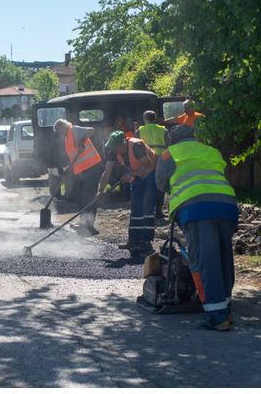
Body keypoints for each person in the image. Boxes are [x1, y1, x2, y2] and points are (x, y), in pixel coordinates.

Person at [155, 125, 238, 331]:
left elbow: (160, 183)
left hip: (196, 208)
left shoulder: (168, 154)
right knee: (223, 258)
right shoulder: (211, 151)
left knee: (204, 261)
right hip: (227, 205)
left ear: (172, 140)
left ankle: (216, 317)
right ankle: (225, 309)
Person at [98, 130, 157, 254]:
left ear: (123, 143)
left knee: (147, 208)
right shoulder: (113, 152)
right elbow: (106, 172)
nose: (114, 150)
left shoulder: (136, 146)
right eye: (112, 148)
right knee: (136, 209)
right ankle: (134, 240)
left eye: (115, 147)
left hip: (151, 175)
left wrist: (130, 174)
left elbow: (150, 166)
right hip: (137, 177)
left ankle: (146, 242)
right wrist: (100, 191)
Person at [53, 119, 103, 236]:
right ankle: (83, 222)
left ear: (63, 127)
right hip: (85, 170)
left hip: (93, 166)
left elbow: (91, 130)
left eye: (58, 130)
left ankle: (89, 225)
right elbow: (75, 159)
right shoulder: (67, 138)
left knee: (88, 196)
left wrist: (81, 140)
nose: (59, 133)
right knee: (81, 196)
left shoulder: (74, 130)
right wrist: (68, 169)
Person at [135, 110, 170, 219]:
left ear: (144, 119)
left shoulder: (139, 131)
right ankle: (159, 212)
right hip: (161, 160)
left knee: (147, 186)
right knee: (160, 186)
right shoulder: (163, 130)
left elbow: (135, 147)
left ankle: (147, 212)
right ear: (154, 119)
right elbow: (169, 146)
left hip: (146, 161)